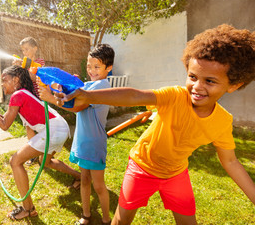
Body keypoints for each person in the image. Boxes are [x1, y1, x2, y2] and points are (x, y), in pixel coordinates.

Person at [54, 24, 255, 225]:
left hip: (176, 174)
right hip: (142, 167)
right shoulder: (175, 96)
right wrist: (87, 95)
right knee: (121, 221)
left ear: (234, 85)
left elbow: (230, 161)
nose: (197, 86)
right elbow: (134, 95)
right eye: (192, 76)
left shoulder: (222, 121)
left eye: (210, 81)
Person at [0, 66, 81, 221]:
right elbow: (5, 119)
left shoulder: (18, 95)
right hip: (59, 127)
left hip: (54, 130)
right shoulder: (23, 95)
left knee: (15, 161)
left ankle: (28, 209)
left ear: (16, 80)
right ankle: (80, 176)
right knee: (46, 162)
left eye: (5, 80)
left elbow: (4, 125)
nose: (2, 84)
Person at [39, 44, 115, 225]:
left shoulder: (102, 86)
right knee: (85, 180)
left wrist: (51, 98)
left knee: (98, 186)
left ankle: (106, 219)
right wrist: (58, 89)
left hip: (94, 144)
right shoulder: (90, 84)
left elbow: (77, 107)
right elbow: (72, 92)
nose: (91, 70)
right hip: (82, 141)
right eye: (89, 66)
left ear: (109, 68)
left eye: (97, 67)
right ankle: (87, 215)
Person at [13, 36, 45, 166]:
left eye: (26, 49)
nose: (24, 52)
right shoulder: (24, 63)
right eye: (23, 50)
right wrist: (18, 67)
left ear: (35, 48)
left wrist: (24, 66)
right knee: (28, 125)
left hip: (39, 98)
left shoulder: (40, 62)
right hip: (28, 98)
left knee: (41, 127)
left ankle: (43, 151)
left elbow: (33, 77)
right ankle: (33, 154)